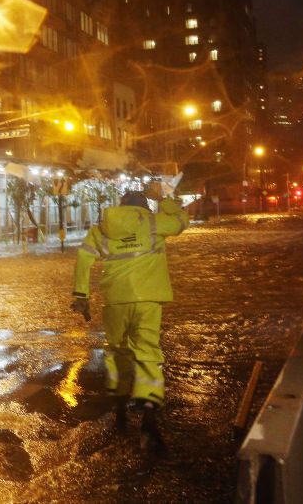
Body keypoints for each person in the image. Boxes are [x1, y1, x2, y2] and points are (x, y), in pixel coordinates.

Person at [70, 184, 188, 448]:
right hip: (148, 300)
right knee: (148, 355)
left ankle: (120, 410)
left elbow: (83, 258)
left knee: (118, 352)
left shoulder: (103, 228)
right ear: (144, 208)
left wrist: (81, 296)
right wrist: (165, 198)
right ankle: (148, 418)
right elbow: (182, 221)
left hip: (115, 301)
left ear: (121, 207)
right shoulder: (153, 223)